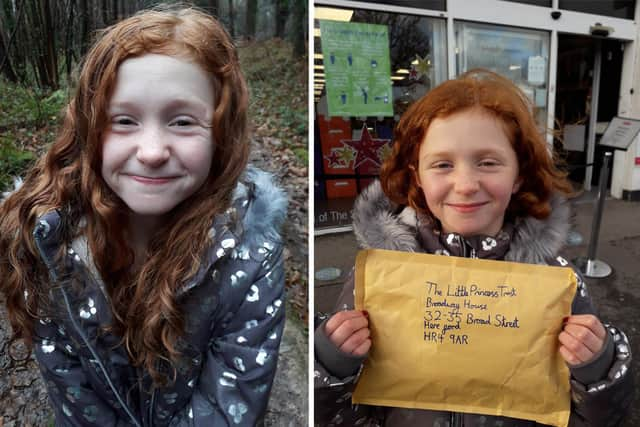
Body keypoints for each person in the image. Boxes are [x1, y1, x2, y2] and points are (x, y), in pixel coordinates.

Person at [0, 6, 287, 426]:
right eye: (124, 121)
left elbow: (231, 406)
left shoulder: (251, 255)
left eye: (183, 121)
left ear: (221, 134)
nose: (152, 151)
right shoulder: (48, 245)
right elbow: (76, 401)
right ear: (89, 129)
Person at [314, 69, 633, 426]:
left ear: (519, 176)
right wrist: (329, 363)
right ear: (418, 175)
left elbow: (594, 418)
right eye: (442, 164)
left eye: (488, 162)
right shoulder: (376, 278)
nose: (465, 184)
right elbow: (343, 417)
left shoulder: (558, 282)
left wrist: (598, 369)